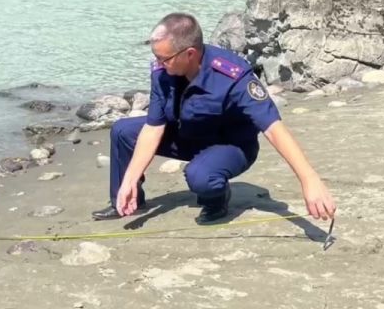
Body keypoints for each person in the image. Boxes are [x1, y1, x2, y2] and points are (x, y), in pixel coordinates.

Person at [91, 12, 337, 224]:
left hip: (229, 147)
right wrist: (130, 180)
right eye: (156, 57)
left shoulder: (233, 75)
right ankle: (126, 201)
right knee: (123, 130)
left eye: (163, 59)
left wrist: (309, 180)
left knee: (200, 176)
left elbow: (274, 128)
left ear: (189, 53)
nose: (158, 63)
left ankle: (217, 200)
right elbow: (153, 129)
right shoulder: (163, 72)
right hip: (186, 134)